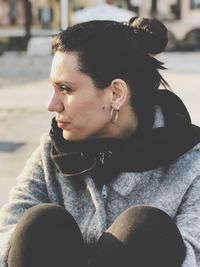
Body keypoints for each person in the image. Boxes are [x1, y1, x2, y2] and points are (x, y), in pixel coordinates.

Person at [0, 16, 200, 267]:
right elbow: (9, 235)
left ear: (116, 93)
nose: (52, 105)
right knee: (39, 222)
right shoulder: (52, 151)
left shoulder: (192, 163)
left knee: (143, 227)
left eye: (66, 89)